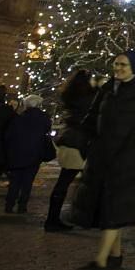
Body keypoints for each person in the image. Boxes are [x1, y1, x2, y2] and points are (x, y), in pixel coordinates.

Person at [73, 50, 135, 270]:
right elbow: (92, 117)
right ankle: (115, 256)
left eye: (123, 65)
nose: (118, 69)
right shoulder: (108, 89)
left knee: (114, 211)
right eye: (116, 64)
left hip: (128, 164)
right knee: (108, 210)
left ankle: (101, 261)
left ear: (134, 68)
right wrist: (86, 143)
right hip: (102, 160)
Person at [45, 70, 97, 231]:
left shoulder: (70, 95)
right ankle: (54, 220)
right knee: (67, 181)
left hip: (69, 139)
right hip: (78, 143)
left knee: (67, 181)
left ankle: (54, 218)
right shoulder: (87, 98)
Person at [3, 94, 52, 214]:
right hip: (35, 153)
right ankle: (22, 205)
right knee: (27, 181)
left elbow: (9, 136)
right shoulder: (44, 119)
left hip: (17, 153)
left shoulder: (18, 118)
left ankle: (9, 205)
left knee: (15, 181)